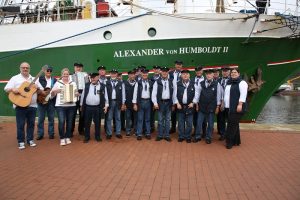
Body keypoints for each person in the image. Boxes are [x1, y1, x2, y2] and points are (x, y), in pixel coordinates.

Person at [4, 62, 38, 149]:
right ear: (20, 68)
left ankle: (30, 140)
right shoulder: (15, 78)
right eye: (23, 67)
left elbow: (39, 90)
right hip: (20, 105)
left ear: (29, 69)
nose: (25, 69)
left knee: (31, 124)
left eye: (27, 68)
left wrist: (37, 87)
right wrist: (13, 89)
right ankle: (21, 141)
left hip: (32, 105)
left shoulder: (33, 79)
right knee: (20, 124)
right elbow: (6, 88)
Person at [51, 68, 78, 146]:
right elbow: (51, 95)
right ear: (62, 75)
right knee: (62, 121)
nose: (65, 75)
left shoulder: (73, 83)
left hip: (71, 105)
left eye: (67, 74)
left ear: (69, 75)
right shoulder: (58, 83)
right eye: (64, 74)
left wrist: (76, 94)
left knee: (70, 122)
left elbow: (76, 93)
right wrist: (55, 91)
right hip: (60, 106)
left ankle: (67, 136)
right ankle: (62, 137)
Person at [194, 69, 222, 144]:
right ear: (206, 75)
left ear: (213, 75)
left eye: (210, 74)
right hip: (202, 106)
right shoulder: (201, 83)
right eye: (207, 74)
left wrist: (217, 107)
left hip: (211, 107)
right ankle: (197, 136)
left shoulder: (217, 84)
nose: (209, 75)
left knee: (210, 123)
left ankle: (208, 137)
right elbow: (197, 94)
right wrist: (196, 104)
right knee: (199, 122)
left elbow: (219, 96)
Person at [223, 68, 248, 149]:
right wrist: (223, 102)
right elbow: (226, 94)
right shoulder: (229, 82)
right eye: (232, 72)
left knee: (231, 125)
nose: (233, 74)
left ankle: (229, 142)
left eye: (235, 72)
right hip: (228, 107)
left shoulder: (242, 83)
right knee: (235, 124)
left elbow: (243, 94)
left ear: (239, 73)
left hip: (236, 107)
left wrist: (240, 104)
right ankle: (236, 141)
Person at [80, 73, 108, 143]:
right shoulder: (87, 86)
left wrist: (106, 106)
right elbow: (83, 96)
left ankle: (97, 136)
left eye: (94, 77)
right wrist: (81, 105)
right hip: (88, 107)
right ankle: (87, 137)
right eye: (91, 77)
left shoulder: (102, 86)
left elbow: (106, 97)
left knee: (98, 123)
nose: (92, 79)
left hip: (97, 107)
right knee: (87, 123)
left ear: (98, 77)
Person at [173, 69, 199, 143]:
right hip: (180, 106)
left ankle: (188, 136)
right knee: (180, 123)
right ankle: (181, 136)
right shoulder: (177, 84)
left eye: (187, 74)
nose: (185, 75)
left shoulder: (193, 83)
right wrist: (177, 103)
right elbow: (174, 95)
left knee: (189, 123)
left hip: (189, 106)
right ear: (181, 75)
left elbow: (196, 95)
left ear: (189, 75)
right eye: (183, 74)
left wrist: (193, 103)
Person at [152, 66, 173, 142]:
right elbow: (153, 94)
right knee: (160, 120)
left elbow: (174, 93)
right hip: (160, 103)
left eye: (166, 71)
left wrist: (173, 103)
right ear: (161, 72)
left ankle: (167, 135)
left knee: (167, 120)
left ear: (168, 73)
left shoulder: (171, 81)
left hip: (168, 103)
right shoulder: (157, 82)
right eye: (163, 71)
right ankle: (160, 135)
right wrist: (155, 103)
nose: (164, 73)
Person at [36, 66, 57, 140]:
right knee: (41, 119)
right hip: (41, 101)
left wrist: (54, 92)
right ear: (44, 71)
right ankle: (40, 134)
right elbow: (35, 87)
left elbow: (56, 89)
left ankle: (51, 134)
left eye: (50, 71)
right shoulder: (39, 78)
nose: (49, 72)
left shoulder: (54, 80)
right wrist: (41, 92)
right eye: (47, 70)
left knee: (51, 119)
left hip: (51, 101)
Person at [133, 69, 153, 140]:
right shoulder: (138, 83)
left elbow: (153, 94)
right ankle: (139, 134)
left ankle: (148, 133)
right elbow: (135, 94)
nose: (145, 75)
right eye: (143, 74)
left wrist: (153, 103)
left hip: (148, 102)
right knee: (140, 119)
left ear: (148, 74)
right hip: (140, 102)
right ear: (141, 74)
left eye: (146, 74)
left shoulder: (150, 82)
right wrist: (135, 104)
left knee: (147, 119)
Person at [105, 69, 126, 139]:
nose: (113, 74)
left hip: (118, 102)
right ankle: (109, 133)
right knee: (109, 118)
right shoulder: (106, 82)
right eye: (112, 73)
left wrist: (123, 103)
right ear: (110, 74)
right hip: (110, 102)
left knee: (118, 118)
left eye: (115, 73)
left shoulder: (120, 83)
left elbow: (123, 94)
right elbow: (105, 94)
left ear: (117, 74)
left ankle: (118, 132)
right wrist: (106, 103)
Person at [70, 62, 89, 136]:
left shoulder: (85, 75)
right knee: (72, 114)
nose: (78, 68)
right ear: (74, 68)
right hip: (74, 95)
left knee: (82, 114)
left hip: (83, 95)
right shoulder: (71, 76)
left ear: (82, 68)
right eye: (77, 67)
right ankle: (71, 131)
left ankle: (81, 130)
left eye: (80, 67)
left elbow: (87, 85)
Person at [191, 66, 206, 137]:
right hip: (193, 101)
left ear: (202, 71)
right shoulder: (192, 79)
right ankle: (196, 130)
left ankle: (204, 132)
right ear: (195, 72)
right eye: (197, 70)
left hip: (203, 102)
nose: (198, 72)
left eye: (200, 70)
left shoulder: (206, 79)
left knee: (203, 118)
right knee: (194, 117)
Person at [169, 60, 183, 133]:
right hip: (172, 95)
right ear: (175, 65)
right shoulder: (170, 73)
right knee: (173, 113)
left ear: (181, 66)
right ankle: (173, 128)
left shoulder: (184, 74)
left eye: (180, 64)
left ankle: (181, 129)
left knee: (181, 114)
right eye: (177, 64)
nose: (178, 66)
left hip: (181, 96)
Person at [217, 67, 231, 141]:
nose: (225, 72)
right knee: (221, 119)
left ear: (229, 72)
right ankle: (222, 134)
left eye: (226, 71)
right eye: (223, 71)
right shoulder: (219, 80)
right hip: (221, 103)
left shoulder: (232, 80)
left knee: (229, 120)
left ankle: (229, 134)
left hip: (229, 103)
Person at [124, 70, 137, 136]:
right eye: (130, 74)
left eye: (133, 74)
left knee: (135, 118)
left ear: (135, 75)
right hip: (127, 104)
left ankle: (135, 130)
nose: (132, 76)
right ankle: (128, 131)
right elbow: (123, 94)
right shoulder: (125, 83)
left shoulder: (137, 83)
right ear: (128, 75)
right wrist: (124, 104)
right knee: (128, 118)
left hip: (136, 104)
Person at [150, 65, 161, 133]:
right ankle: (152, 127)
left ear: (159, 70)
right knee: (151, 114)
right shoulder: (150, 79)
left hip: (160, 99)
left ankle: (160, 129)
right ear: (153, 70)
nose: (156, 70)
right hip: (152, 99)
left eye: (158, 69)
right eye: (155, 69)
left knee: (161, 115)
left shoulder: (163, 78)